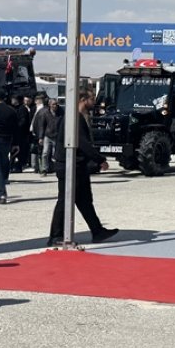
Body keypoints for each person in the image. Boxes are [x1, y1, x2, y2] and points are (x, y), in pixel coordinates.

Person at [49, 89, 117, 246]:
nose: (94, 102)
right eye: (92, 98)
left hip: (77, 165)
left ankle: (97, 230)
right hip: (70, 165)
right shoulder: (74, 119)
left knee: (85, 200)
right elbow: (82, 143)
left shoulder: (76, 117)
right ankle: (56, 235)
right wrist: (100, 159)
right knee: (65, 200)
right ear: (83, 99)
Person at [32, 97, 59, 175]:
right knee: (45, 153)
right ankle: (44, 169)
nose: (55, 106)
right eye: (54, 104)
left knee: (55, 154)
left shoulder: (60, 113)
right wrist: (41, 137)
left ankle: (56, 168)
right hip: (48, 135)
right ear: (50, 105)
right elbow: (41, 126)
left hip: (56, 135)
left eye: (56, 104)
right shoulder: (45, 113)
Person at [11, 94, 32, 173]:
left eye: (13, 99)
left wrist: (16, 127)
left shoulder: (22, 109)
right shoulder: (13, 108)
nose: (12, 100)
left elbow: (23, 121)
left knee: (20, 151)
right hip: (16, 133)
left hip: (21, 134)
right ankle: (13, 165)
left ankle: (18, 166)